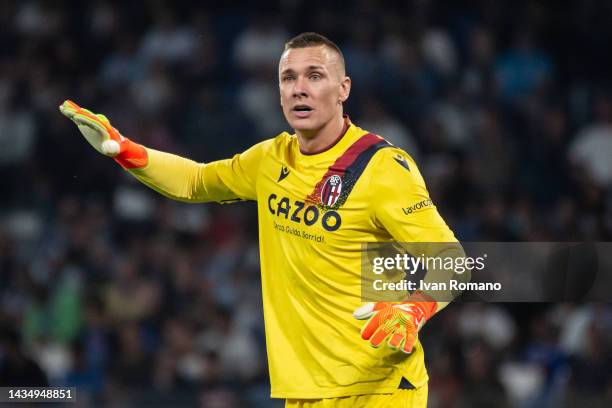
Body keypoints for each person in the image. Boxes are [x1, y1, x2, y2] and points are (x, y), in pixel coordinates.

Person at [60, 32, 463, 407]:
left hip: (377, 389)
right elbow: (197, 180)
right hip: (302, 389)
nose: (299, 88)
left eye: (315, 76)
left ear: (344, 89)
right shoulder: (271, 159)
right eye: (288, 78)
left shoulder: (382, 168)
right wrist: (123, 149)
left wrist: (413, 309)